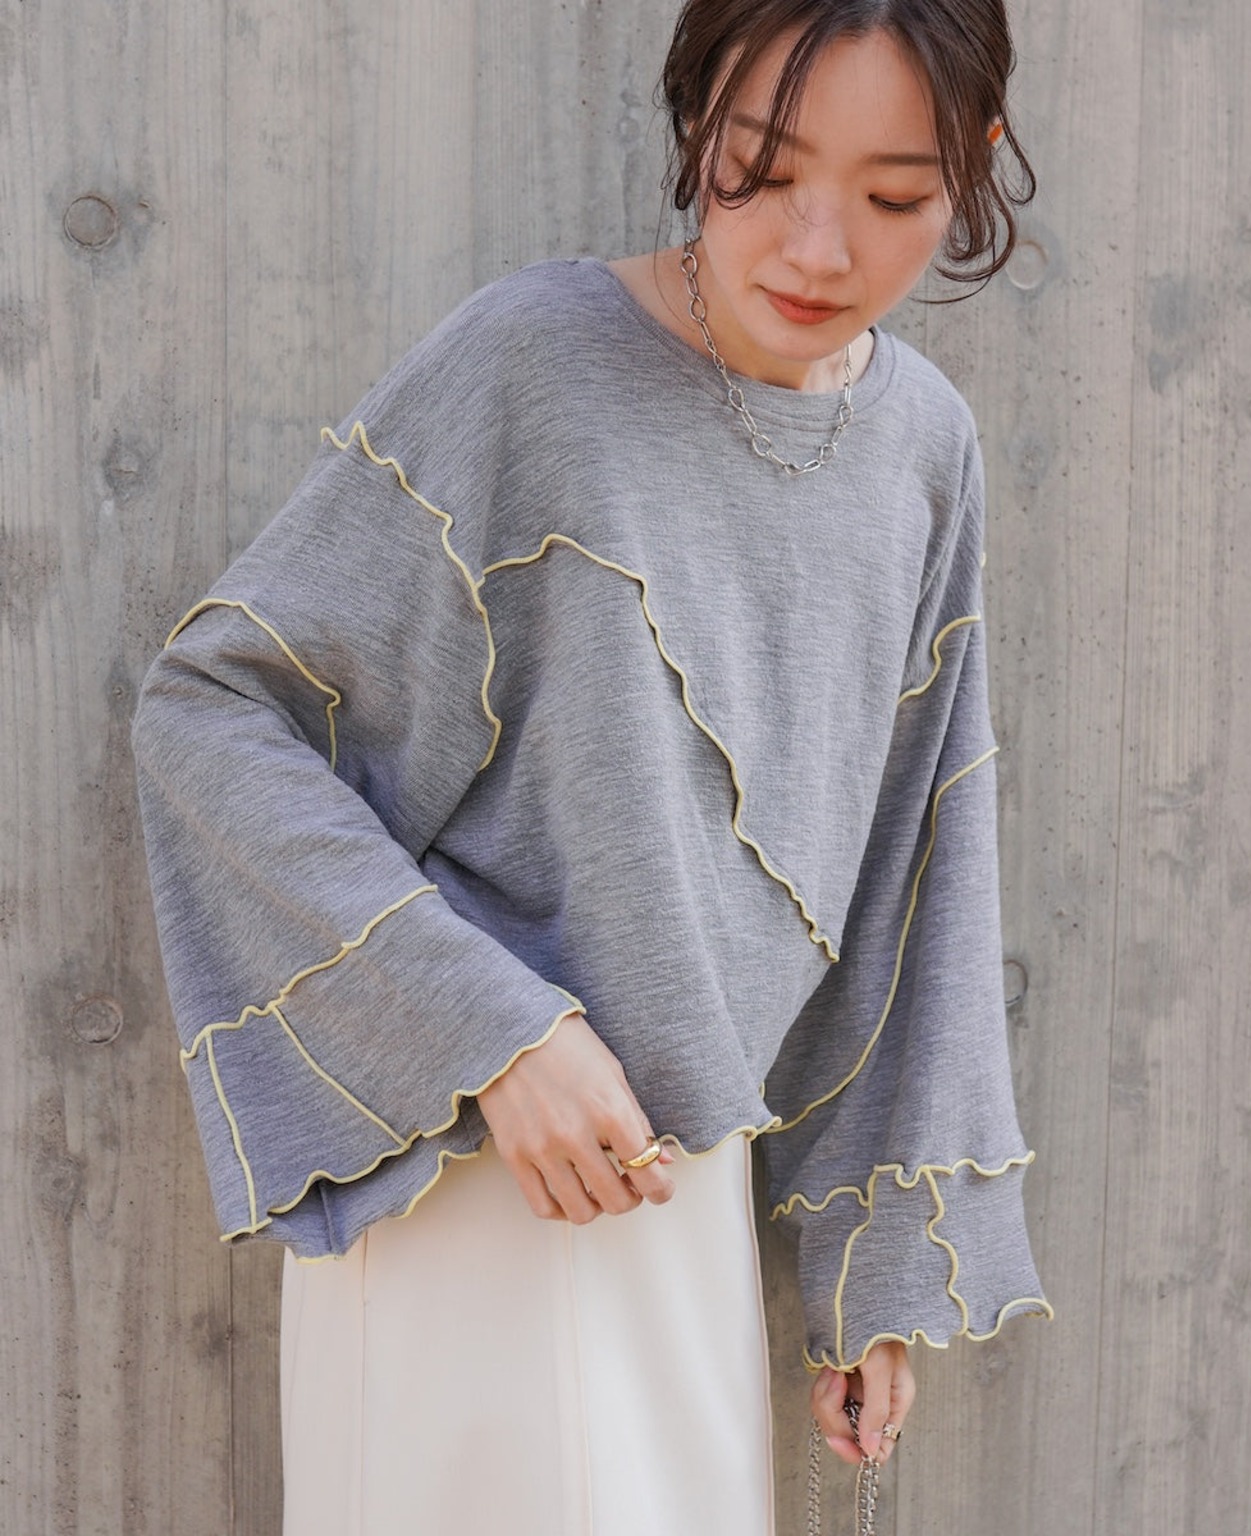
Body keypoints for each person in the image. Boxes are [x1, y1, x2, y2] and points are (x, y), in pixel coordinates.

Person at [133, 1, 1051, 1531]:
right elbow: (212, 712)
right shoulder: (536, 362)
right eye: (763, 170)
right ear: (696, 122)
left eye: (894, 195)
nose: (819, 247)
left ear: (973, 164)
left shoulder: (924, 448)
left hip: (684, 1214)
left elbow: (919, 863)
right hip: (470, 1185)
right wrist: (493, 1034)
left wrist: (875, 1262)